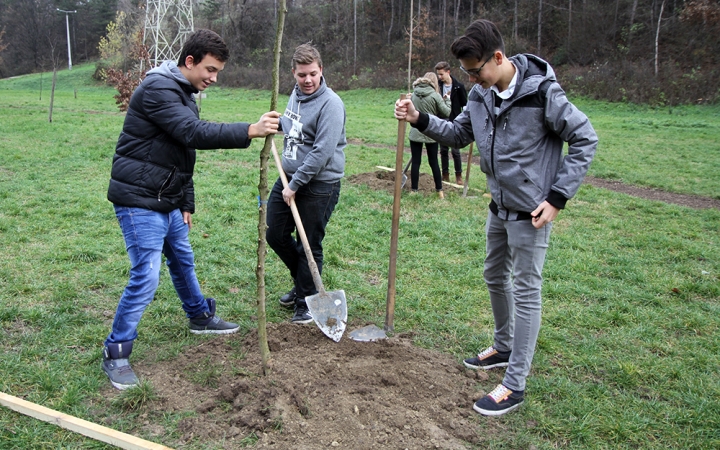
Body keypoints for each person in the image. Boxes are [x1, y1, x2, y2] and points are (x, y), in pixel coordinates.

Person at [395, 19, 598, 416]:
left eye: (476, 71)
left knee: (525, 292)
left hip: (532, 214)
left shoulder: (542, 94)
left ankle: (514, 383)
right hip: (498, 208)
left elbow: (585, 138)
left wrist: (557, 197)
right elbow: (457, 134)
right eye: (467, 73)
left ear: (499, 58)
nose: (472, 80)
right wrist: (419, 119)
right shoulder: (479, 96)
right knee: (493, 275)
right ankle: (503, 346)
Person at [103, 29, 280, 390]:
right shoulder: (158, 89)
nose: (214, 79)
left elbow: (182, 153)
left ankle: (199, 317)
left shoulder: (184, 92)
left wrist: (185, 201)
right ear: (189, 62)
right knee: (147, 274)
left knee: (182, 259)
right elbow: (192, 133)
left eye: (217, 72)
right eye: (210, 70)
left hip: (166, 198)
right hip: (140, 199)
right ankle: (116, 351)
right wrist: (250, 130)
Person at [267, 43, 346, 324]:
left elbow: (321, 152)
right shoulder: (296, 95)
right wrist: (273, 125)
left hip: (319, 183)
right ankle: (303, 281)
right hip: (289, 177)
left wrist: (295, 185)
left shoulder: (331, 104)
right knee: (274, 234)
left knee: (308, 243)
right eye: (302, 75)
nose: (308, 80)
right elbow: (293, 128)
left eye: (313, 73)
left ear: (321, 70)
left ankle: (306, 302)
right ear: (294, 73)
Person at [408, 72, 451, 197]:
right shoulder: (435, 95)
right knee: (434, 162)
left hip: (415, 131)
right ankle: (440, 191)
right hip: (431, 132)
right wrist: (447, 101)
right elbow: (446, 112)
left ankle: (413, 190)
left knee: (416, 162)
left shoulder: (414, 94)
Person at [435, 61, 468, 185]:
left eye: (441, 74)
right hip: (442, 120)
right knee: (443, 150)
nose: (440, 77)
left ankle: (458, 176)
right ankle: (445, 175)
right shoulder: (437, 86)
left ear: (448, 72)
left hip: (455, 121)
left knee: (455, 150)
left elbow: (465, 105)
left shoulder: (459, 87)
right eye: (438, 74)